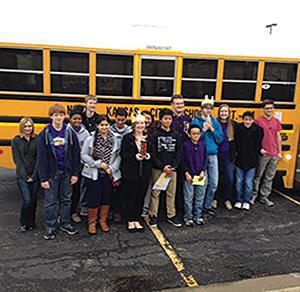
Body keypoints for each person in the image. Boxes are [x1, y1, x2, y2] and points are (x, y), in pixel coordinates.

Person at [37, 104, 81, 240]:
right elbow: (41, 158)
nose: (58, 118)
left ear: (64, 116)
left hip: (67, 172)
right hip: (52, 173)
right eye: (56, 115)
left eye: (61, 115)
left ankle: (65, 223)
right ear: (51, 116)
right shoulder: (45, 134)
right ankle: (50, 226)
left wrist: (75, 173)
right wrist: (43, 178)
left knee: (66, 199)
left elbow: (76, 154)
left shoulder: (69, 132)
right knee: (50, 201)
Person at [81, 115, 121, 234]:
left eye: (106, 125)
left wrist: (112, 168)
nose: (104, 127)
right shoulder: (91, 138)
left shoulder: (115, 138)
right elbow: (83, 155)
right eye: (102, 125)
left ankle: (102, 221)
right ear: (97, 126)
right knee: (93, 198)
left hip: (108, 173)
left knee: (106, 198)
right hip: (94, 173)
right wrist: (97, 164)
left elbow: (118, 155)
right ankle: (92, 222)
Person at [148, 108, 182, 228]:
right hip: (158, 169)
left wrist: (173, 167)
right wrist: (163, 167)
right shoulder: (154, 135)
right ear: (161, 120)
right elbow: (152, 153)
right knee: (155, 192)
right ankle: (153, 215)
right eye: (165, 118)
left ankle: (171, 215)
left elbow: (179, 152)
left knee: (171, 193)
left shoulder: (176, 135)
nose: (167, 121)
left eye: (169, 119)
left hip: (172, 169)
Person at [190, 96, 223, 215]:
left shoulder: (215, 121)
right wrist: (203, 130)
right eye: (206, 108)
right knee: (202, 183)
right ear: (201, 108)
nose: (208, 110)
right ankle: (198, 208)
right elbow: (194, 139)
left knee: (213, 183)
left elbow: (220, 139)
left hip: (213, 154)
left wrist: (213, 129)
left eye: (211, 108)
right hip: (200, 155)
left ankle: (207, 205)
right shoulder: (195, 121)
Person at [121, 113, 152, 232]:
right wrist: (134, 156)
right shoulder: (127, 138)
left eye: (142, 123)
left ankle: (137, 219)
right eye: (138, 123)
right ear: (134, 125)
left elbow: (154, 153)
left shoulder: (149, 138)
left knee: (141, 196)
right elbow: (123, 154)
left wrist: (149, 156)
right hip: (131, 172)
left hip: (144, 172)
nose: (140, 125)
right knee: (130, 196)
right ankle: (130, 220)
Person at [252, 99, 282, 207]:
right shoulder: (258, 121)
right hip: (263, 153)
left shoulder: (276, 121)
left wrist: (280, 152)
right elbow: (254, 137)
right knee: (258, 175)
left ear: (273, 109)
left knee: (269, 177)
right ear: (263, 109)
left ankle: (264, 196)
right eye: (266, 108)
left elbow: (278, 136)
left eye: (271, 108)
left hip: (274, 153)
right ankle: (253, 195)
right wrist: (259, 148)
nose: (269, 110)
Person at [11, 117, 39, 232]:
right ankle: (24, 222)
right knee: (27, 200)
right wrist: (26, 176)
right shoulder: (16, 140)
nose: (28, 128)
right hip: (22, 176)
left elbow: (39, 159)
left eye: (30, 126)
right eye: (25, 126)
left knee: (33, 200)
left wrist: (34, 175)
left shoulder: (36, 140)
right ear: (21, 127)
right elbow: (17, 160)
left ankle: (31, 222)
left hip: (35, 175)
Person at [234, 111, 263, 210]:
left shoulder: (258, 130)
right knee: (239, 182)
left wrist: (260, 150)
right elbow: (236, 143)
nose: (247, 122)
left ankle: (247, 200)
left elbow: (258, 145)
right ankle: (239, 200)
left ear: (253, 120)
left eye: (250, 120)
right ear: (243, 120)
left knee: (248, 182)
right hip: (240, 159)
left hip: (251, 160)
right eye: (246, 119)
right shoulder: (238, 129)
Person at [67, 109, 90, 223]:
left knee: (77, 190)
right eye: (74, 118)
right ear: (70, 119)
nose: (77, 121)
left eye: (79, 119)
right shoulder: (65, 131)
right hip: (67, 165)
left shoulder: (85, 133)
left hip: (79, 164)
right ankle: (63, 213)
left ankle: (74, 212)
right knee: (64, 191)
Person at [110, 108, 132, 223]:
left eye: (122, 120)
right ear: (115, 118)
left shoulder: (129, 131)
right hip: (111, 162)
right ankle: (110, 210)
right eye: (118, 120)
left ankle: (118, 210)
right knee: (110, 188)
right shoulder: (109, 129)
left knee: (122, 188)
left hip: (125, 163)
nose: (120, 122)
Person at [181, 125, 207, 226]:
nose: (196, 135)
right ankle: (188, 217)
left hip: (200, 175)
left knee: (200, 196)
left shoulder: (203, 145)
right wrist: (186, 173)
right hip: (189, 176)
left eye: (197, 134)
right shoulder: (185, 146)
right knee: (188, 197)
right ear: (189, 134)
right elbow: (182, 161)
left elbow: (205, 159)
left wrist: (203, 171)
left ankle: (198, 216)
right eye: (193, 134)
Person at [170, 94, 191, 217]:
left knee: (181, 184)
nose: (180, 106)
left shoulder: (187, 120)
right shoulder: (169, 118)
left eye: (182, 103)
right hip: (171, 155)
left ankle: (180, 209)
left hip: (183, 156)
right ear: (172, 105)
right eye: (177, 103)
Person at [215, 104, 236, 210]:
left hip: (228, 155)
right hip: (216, 154)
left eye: (226, 112)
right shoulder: (215, 123)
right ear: (219, 113)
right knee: (216, 178)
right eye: (222, 111)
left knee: (229, 178)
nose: (224, 113)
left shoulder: (233, 125)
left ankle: (227, 199)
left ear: (229, 113)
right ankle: (215, 198)